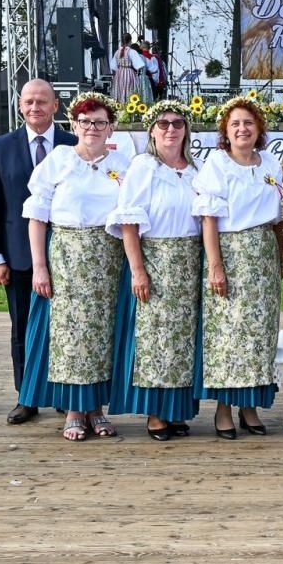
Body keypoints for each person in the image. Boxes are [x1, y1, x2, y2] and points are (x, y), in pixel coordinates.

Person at [19, 96, 132, 441]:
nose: (92, 129)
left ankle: (96, 408)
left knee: (102, 333)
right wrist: (40, 267)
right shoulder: (60, 160)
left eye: (99, 122)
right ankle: (73, 409)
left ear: (110, 127)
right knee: (71, 335)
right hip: (67, 256)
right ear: (74, 126)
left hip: (109, 258)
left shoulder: (123, 164)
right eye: (85, 122)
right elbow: (37, 216)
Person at [0, 80, 77, 424]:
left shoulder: (73, 144)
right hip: (18, 256)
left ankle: (67, 394)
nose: (35, 107)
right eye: (28, 102)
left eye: (42, 101)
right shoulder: (1, 146)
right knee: (23, 327)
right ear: (20, 106)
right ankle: (26, 396)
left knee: (66, 327)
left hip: (70, 257)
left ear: (56, 106)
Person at [108, 99, 202, 439]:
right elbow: (129, 223)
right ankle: (155, 414)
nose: (171, 129)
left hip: (189, 262)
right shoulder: (144, 167)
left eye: (178, 123)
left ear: (187, 130)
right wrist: (138, 270)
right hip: (156, 259)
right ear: (151, 130)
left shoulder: (195, 170)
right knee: (155, 339)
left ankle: (177, 411)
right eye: (163, 123)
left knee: (183, 340)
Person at [194, 95, 283, 438]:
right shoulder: (218, 164)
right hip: (231, 254)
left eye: (248, 122)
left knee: (260, 335)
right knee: (228, 335)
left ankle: (249, 406)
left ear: (259, 127)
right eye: (235, 124)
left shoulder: (271, 165)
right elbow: (208, 218)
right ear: (225, 132)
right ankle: (223, 409)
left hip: (262, 256)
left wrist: (281, 257)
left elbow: (279, 218)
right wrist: (215, 266)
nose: (242, 129)